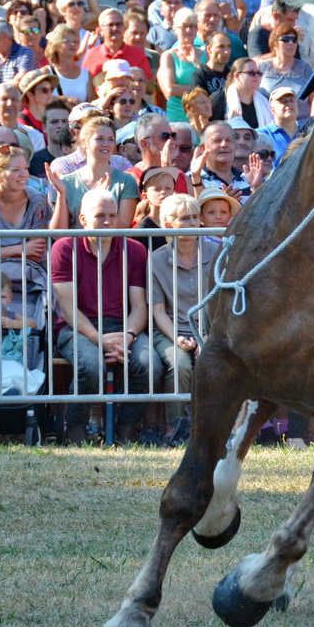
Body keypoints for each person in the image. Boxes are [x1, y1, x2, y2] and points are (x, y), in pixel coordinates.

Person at [51, 187, 153, 444]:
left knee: (149, 363)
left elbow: (139, 305)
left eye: (112, 215)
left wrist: (127, 338)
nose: (107, 221)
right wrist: (99, 339)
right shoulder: (64, 248)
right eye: (99, 216)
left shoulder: (135, 250)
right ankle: (74, 429)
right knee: (92, 365)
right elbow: (67, 307)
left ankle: (127, 429)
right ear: (83, 220)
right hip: (77, 327)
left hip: (123, 327)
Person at [147, 192, 219, 443]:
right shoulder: (155, 260)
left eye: (194, 218)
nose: (192, 224)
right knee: (180, 365)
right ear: (168, 225)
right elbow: (157, 310)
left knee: (213, 362)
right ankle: (173, 430)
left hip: (210, 328)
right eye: (184, 219)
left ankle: (214, 431)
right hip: (170, 328)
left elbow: (222, 301)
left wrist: (208, 336)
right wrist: (177, 338)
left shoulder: (217, 252)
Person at [0, 144, 52, 264]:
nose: (24, 174)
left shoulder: (37, 202)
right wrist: (21, 249)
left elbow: (35, 255)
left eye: (25, 168)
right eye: (15, 170)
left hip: (30, 273)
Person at [51, 115, 138, 228]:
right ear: (84, 142)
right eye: (99, 138)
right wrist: (61, 195)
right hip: (75, 245)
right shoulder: (67, 182)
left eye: (111, 139)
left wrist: (99, 200)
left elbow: (123, 227)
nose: (106, 144)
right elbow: (58, 234)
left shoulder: (126, 181)